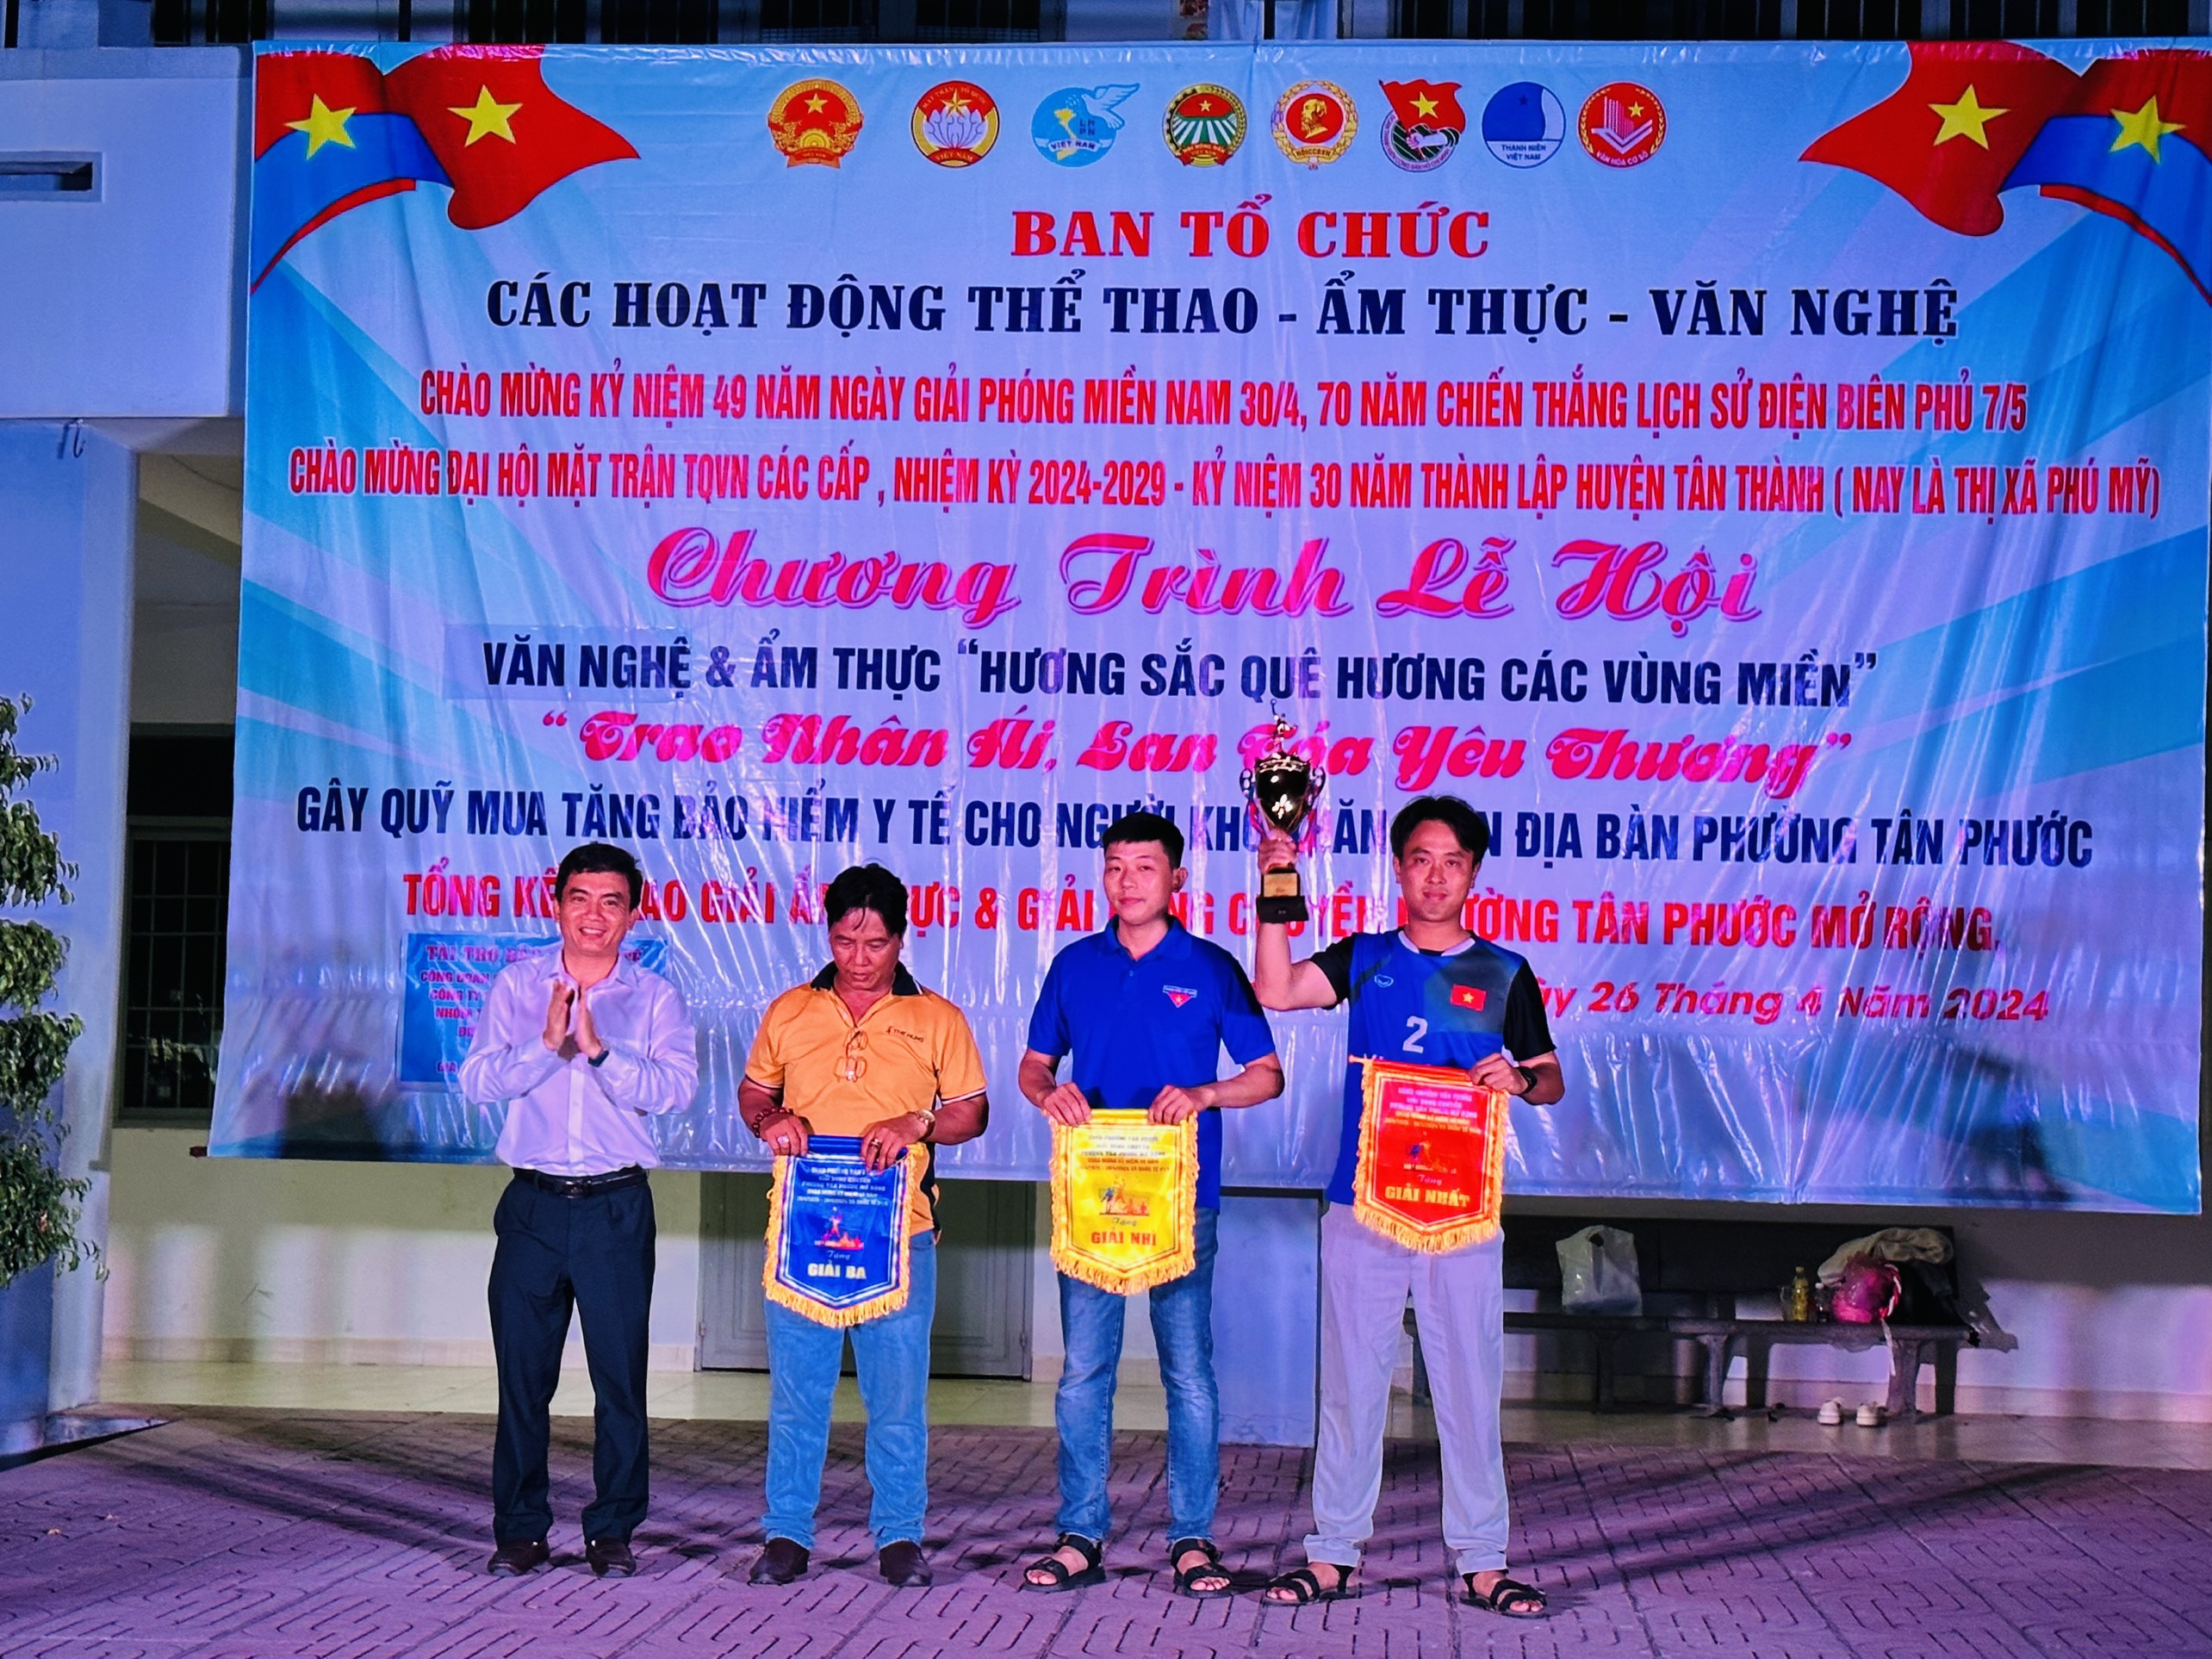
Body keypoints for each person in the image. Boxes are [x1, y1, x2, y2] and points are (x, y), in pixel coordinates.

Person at [1250, 797, 1563, 1618]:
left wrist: (1520, 1079)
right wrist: (1275, 883)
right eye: (1421, 859)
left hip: (1463, 1210)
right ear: (1398, 867)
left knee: (1469, 1385)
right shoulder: (1365, 957)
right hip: (1364, 1202)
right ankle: (1333, 1551)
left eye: (1452, 862)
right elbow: (1275, 988)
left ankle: (1483, 1559)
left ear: (1474, 874)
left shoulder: (1503, 971)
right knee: (1352, 1383)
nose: (1435, 876)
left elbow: (1550, 1077)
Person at [1017, 811, 1283, 1599]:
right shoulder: (1075, 965)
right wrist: (1049, 1092)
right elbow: (1033, 1066)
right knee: (1084, 1370)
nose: (1126, 881)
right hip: (1094, 1198)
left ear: (1177, 879)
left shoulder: (1211, 966)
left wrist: (1205, 1093)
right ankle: (1080, 1533)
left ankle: (1193, 1538)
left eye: (1144, 867)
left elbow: (1267, 1075)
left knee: (1188, 1372)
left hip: (1181, 1198)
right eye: (1114, 866)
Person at [737, 863, 990, 1589]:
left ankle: (901, 1535)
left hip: (901, 1235)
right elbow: (753, 1092)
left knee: (897, 1399)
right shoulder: (791, 1010)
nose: (859, 958)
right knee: (797, 1395)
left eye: (875, 943)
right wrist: (770, 1118)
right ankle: (786, 1535)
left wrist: (919, 1122)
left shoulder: (939, 1018)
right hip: (803, 1230)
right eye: (845, 941)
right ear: (828, 934)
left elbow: (973, 1111)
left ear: (902, 939)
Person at [457, 842, 699, 1579]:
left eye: (611, 902)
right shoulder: (515, 985)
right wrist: (545, 1046)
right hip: (532, 1206)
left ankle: (613, 1529)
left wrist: (599, 1053)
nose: (594, 915)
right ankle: (520, 1530)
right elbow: (477, 1081)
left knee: (619, 1381)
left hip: (614, 1207)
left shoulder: (654, 997)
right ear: (556, 903)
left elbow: (676, 1091)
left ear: (633, 914)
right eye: (580, 899)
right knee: (522, 1379)